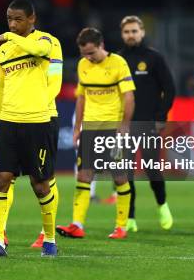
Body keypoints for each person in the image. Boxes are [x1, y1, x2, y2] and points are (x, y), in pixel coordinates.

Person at [0, 0, 58, 257]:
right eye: (9, 19)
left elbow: (39, 52)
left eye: (18, 19)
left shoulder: (46, 40)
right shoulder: (3, 50)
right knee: (1, 179)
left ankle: (50, 238)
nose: (12, 24)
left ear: (32, 19)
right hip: (9, 122)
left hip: (37, 121)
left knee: (41, 185)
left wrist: (6, 37)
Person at [56, 27, 135, 240]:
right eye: (84, 54)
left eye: (91, 53)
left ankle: (121, 226)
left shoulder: (118, 63)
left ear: (101, 46)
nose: (88, 58)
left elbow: (128, 97)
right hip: (90, 129)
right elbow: (81, 97)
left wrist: (125, 125)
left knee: (119, 177)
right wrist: (77, 128)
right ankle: (77, 224)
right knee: (84, 176)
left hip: (113, 129)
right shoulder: (83, 65)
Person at [117, 15, 175, 231]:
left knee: (152, 170)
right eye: (126, 32)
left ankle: (162, 205)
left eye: (134, 31)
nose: (130, 35)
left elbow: (169, 89)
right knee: (126, 172)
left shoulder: (154, 58)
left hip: (148, 123)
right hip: (125, 126)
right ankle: (129, 217)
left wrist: (161, 117)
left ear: (142, 32)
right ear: (122, 34)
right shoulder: (117, 60)